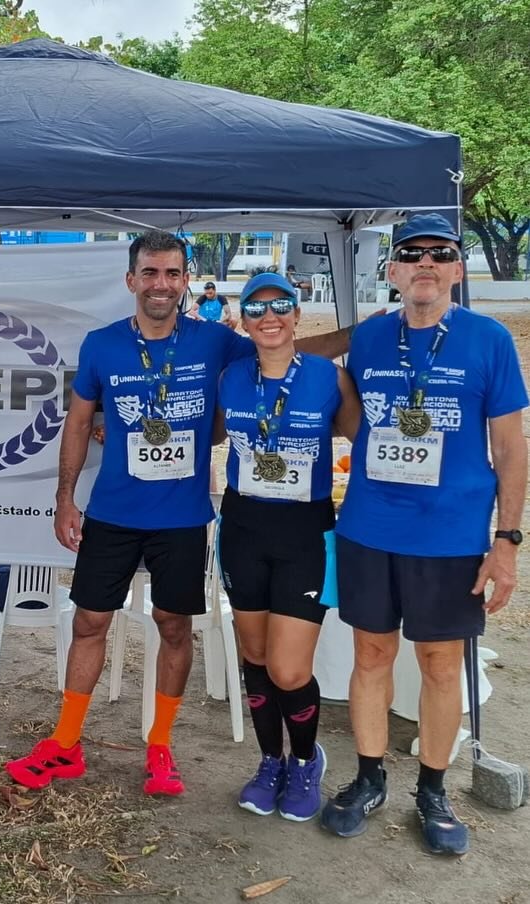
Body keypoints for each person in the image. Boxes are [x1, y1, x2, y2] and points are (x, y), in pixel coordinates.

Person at [4, 230, 355, 798]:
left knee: (173, 626)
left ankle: (160, 747)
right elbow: (76, 423)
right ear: (131, 280)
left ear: (186, 280)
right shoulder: (101, 345)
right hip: (114, 512)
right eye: (150, 273)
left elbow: (286, 351)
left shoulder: (216, 342)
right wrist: (65, 497)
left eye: (172, 273)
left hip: (183, 517)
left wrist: (365, 333)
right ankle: (65, 745)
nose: (161, 284)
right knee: (90, 622)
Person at [321, 213, 527, 855]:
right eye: (412, 255)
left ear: (458, 272)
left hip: (452, 535)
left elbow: (512, 447)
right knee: (371, 657)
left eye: (441, 256)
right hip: (369, 527)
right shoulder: (372, 340)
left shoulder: (489, 339)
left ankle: (433, 789)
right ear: (393, 270)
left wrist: (508, 542)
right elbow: (353, 420)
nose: (426, 265)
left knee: (441, 665)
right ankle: (369, 776)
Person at [213, 271, 361, 822]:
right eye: (256, 308)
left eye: (281, 307)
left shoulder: (329, 378)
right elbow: (207, 433)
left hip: (304, 534)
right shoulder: (229, 377)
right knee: (254, 656)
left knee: (289, 670)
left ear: (299, 315)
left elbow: (362, 443)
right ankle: (269, 760)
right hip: (243, 529)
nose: (269, 317)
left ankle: (305, 760)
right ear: (243, 321)